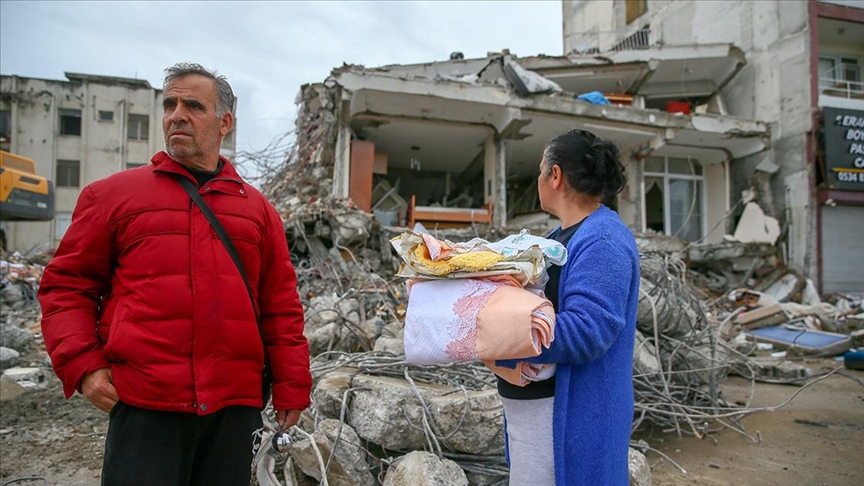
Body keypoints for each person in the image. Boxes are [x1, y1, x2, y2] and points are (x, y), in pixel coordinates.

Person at [37, 62, 312, 486]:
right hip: (145, 406)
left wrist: (292, 385)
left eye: (193, 105)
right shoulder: (112, 196)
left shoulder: (257, 211)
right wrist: (84, 366)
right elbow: (66, 287)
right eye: (169, 104)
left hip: (233, 409)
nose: (176, 114)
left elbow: (280, 306)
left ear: (225, 122)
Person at [496, 128, 640, 485]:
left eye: (541, 169)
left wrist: (501, 334)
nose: (538, 178)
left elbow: (587, 331)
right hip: (537, 420)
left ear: (555, 175)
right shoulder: (555, 238)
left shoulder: (603, 240)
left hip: (572, 420)